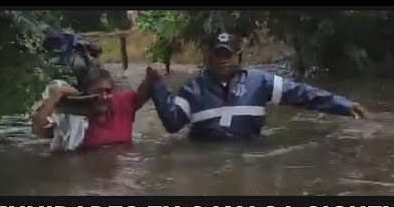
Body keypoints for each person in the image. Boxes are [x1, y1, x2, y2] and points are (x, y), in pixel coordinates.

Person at [148, 32, 368, 141]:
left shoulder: (260, 82)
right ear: (210, 57)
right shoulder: (193, 90)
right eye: (219, 55)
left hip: (250, 154)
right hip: (205, 156)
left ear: (239, 56)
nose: (223, 60)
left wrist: (344, 106)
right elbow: (172, 122)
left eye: (228, 55)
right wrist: (156, 85)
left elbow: (304, 95)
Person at [32, 66, 153, 150]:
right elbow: (39, 129)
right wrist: (53, 99)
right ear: (86, 94)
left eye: (108, 91)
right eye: (98, 92)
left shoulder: (123, 103)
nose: (104, 97)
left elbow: (145, 93)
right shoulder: (75, 118)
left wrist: (151, 77)